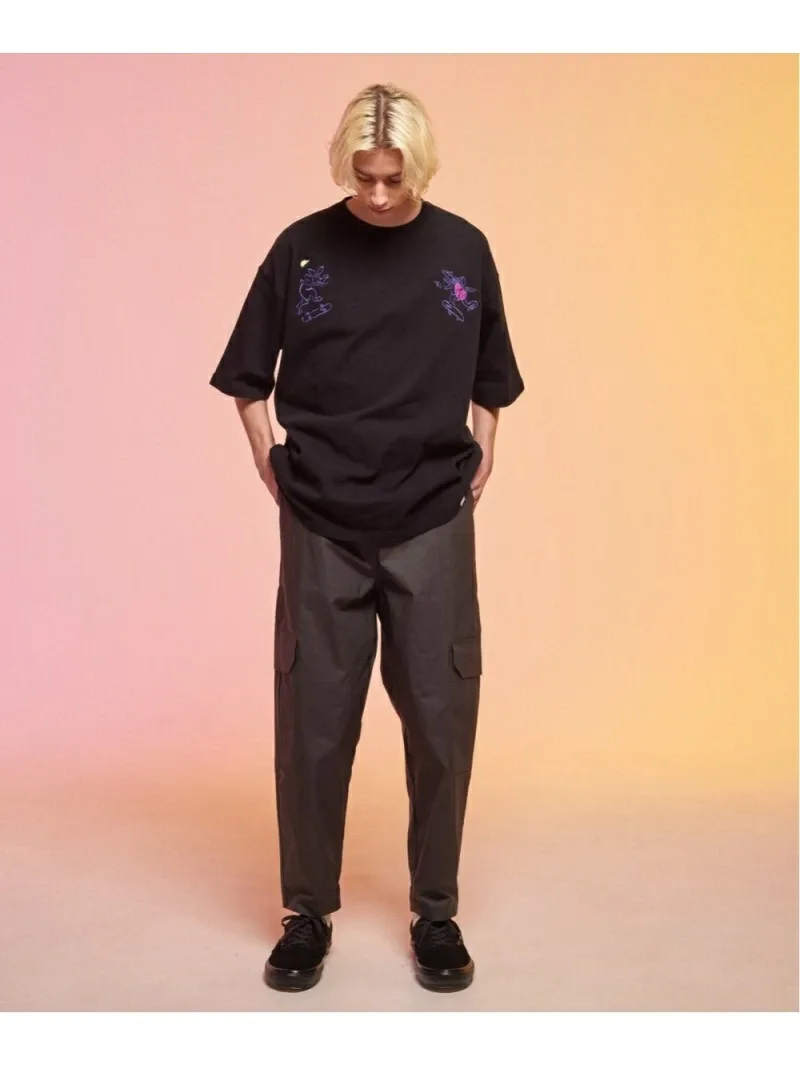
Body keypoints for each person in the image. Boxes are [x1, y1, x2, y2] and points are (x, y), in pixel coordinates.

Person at [209, 83, 524, 994]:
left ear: (420, 167)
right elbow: (246, 374)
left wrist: (487, 446)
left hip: (431, 515)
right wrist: (267, 456)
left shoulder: (463, 249)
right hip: (323, 520)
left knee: (441, 717)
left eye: (394, 178)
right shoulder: (301, 249)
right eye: (364, 176)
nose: (379, 195)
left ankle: (436, 911)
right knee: (313, 722)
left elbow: (493, 373)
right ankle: (307, 912)